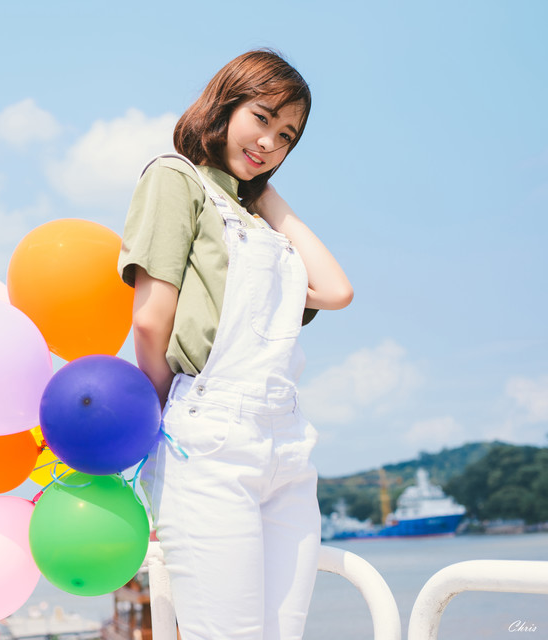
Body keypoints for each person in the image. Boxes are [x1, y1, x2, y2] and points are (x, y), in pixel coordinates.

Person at [118, 49, 352, 640]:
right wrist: (175, 420)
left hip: (287, 445)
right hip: (208, 434)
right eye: (262, 116)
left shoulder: (258, 219)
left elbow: (336, 289)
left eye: (287, 135)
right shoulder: (176, 178)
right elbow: (150, 322)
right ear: (225, 103)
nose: (270, 140)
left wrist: (265, 193)